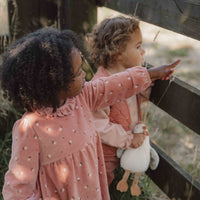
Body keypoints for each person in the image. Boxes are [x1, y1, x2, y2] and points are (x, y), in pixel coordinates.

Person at [1, 27, 179, 200]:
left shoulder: (83, 97)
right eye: (78, 73)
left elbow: (114, 85)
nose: (84, 76)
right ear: (55, 82)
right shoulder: (31, 129)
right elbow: (18, 183)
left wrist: (150, 74)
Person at [90, 15, 180, 198]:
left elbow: (128, 104)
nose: (143, 52)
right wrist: (128, 139)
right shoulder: (102, 86)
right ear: (117, 52)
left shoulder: (128, 77)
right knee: (99, 189)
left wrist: (148, 85)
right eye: (138, 47)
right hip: (102, 157)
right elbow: (98, 126)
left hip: (121, 152)